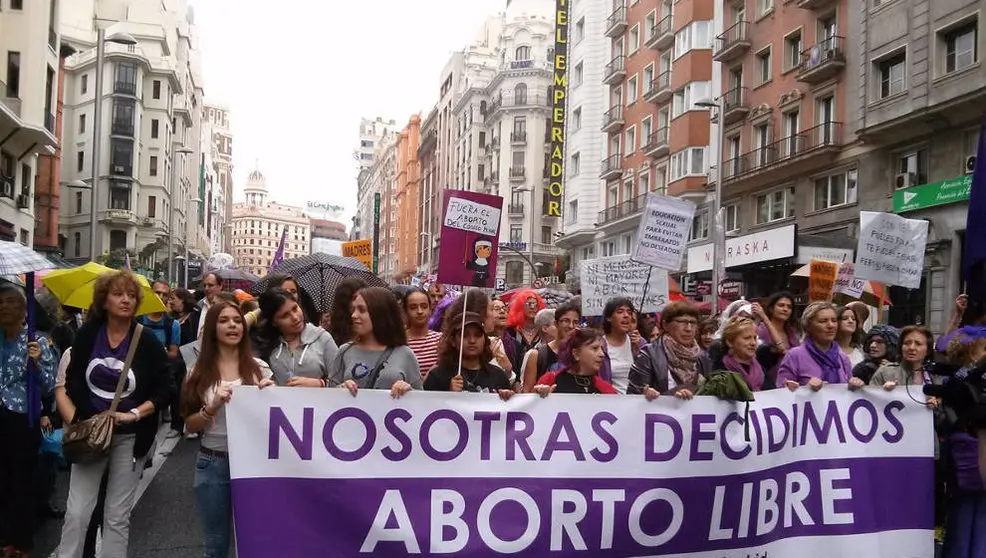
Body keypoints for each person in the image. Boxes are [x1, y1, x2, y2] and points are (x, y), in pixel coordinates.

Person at [55, 271, 172, 558]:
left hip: (130, 438)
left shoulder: (146, 341)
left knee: (117, 516)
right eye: (118, 294)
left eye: (131, 295)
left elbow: (166, 387)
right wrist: (88, 416)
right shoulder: (87, 334)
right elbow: (72, 380)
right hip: (92, 435)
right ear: (104, 300)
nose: (126, 300)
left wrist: (133, 414)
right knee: (77, 512)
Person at [181, 301, 275, 558]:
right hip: (213, 463)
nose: (232, 325)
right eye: (223, 320)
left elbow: (275, 421)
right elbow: (189, 424)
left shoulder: (260, 368)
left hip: (254, 464)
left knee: (256, 539)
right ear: (212, 328)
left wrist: (272, 395)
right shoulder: (197, 371)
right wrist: (210, 408)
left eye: (236, 320)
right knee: (216, 544)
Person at [0, 284, 57, 558]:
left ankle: (20, 540)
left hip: (22, 419)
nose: (5, 307)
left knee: (21, 481)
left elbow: (48, 386)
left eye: (11, 302)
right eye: (0, 302)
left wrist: (36, 362)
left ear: (24, 310)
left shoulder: (37, 341)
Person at [335, 287, 422, 396]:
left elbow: (420, 401)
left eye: (361, 310)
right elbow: (326, 398)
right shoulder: (344, 351)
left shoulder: (405, 354)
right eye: (353, 310)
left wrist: (408, 390)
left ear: (379, 313)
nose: (354, 315)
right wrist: (339, 389)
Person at [257, 288, 340, 387]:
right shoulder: (267, 345)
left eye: (295, 308)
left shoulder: (323, 338)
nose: (295, 317)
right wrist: (268, 386)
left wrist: (320, 384)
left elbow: (341, 382)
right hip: (281, 402)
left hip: (318, 401)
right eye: (285, 316)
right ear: (273, 322)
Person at [628, 301, 712, 398]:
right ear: (666, 325)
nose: (689, 329)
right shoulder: (648, 355)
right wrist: (646, 394)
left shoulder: (703, 358)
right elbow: (632, 396)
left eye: (693, 323)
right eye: (682, 322)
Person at [776, 301, 865, 391]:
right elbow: (781, 394)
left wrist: (854, 386)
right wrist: (805, 389)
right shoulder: (794, 356)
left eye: (834, 321)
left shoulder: (843, 358)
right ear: (808, 326)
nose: (831, 325)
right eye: (823, 321)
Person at [423, 312, 512, 398]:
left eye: (477, 335)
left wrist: (507, 398)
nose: (472, 340)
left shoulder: (498, 376)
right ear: (453, 341)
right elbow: (425, 408)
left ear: (485, 339)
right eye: (465, 335)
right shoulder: (437, 376)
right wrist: (448, 395)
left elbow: (510, 408)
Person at [533, 328, 622, 395]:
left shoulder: (606, 390)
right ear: (575, 353)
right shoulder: (550, 380)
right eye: (595, 348)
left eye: (602, 349)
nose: (602, 354)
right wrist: (539, 396)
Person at [521, 303, 580, 392]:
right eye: (566, 321)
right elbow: (526, 392)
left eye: (575, 322)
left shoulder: (582, 353)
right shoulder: (537, 355)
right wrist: (539, 391)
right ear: (556, 324)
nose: (571, 326)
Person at [602, 297, 642, 394]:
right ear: (609, 318)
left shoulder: (638, 341)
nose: (626, 316)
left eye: (629, 312)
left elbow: (645, 376)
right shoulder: (599, 344)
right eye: (620, 312)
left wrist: (638, 350)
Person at [714, 316, 765, 391]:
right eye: (747, 338)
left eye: (754, 338)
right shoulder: (720, 373)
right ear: (730, 342)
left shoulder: (761, 370)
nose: (753, 343)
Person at [501, 290, 546, 374]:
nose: (532, 307)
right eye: (529, 304)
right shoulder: (511, 330)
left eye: (535, 304)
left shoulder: (543, 330)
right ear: (520, 307)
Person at [403, 287, 442, 380]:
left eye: (424, 306)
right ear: (406, 311)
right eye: (413, 308)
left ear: (430, 309)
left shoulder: (440, 340)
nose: (419, 311)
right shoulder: (398, 341)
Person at [519, 309, 556, 392]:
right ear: (545, 328)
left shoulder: (570, 351)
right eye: (556, 324)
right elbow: (526, 390)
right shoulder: (534, 354)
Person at [327, 277, 367, 346]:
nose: (361, 302)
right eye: (355, 298)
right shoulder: (329, 338)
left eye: (364, 297)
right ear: (345, 302)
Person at [192, 272, 223, 339]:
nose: (206, 288)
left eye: (210, 285)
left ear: (220, 286)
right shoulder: (197, 307)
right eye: (204, 285)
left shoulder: (228, 307)